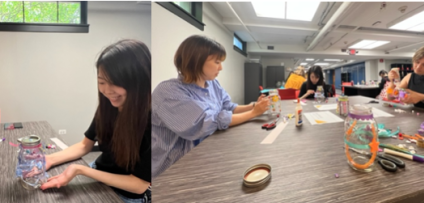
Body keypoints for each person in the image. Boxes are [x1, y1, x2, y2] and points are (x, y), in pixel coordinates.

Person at [40, 39, 152, 203]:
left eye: (115, 83)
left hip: (125, 194)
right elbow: (85, 145)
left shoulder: (154, 121)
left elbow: (139, 185)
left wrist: (81, 170)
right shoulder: (108, 107)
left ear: (138, 81)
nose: (107, 91)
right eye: (101, 82)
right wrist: (49, 159)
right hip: (98, 175)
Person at [152, 35, 270, 177]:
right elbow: (206, 122)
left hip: (205, 156)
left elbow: (228, 107)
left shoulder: (212, 83)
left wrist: (254, 106)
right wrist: (253, 113)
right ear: (196, 61)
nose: (220, 67)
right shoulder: (168, 91)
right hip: (174, 168)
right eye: (217, 62)